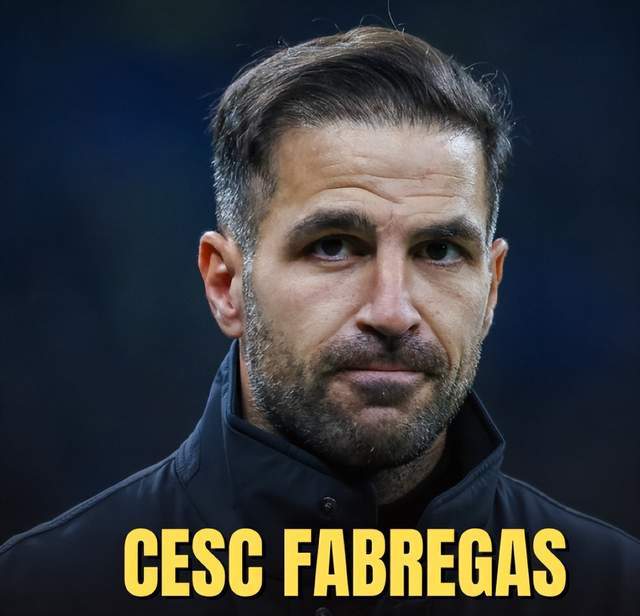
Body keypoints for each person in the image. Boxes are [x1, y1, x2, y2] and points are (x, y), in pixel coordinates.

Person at [0, 26, 638, 616]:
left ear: (491, 288)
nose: (392, 312)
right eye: (333, 246)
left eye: (440, 251)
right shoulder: (47, 592)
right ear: (226, 285)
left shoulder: (611, 591)